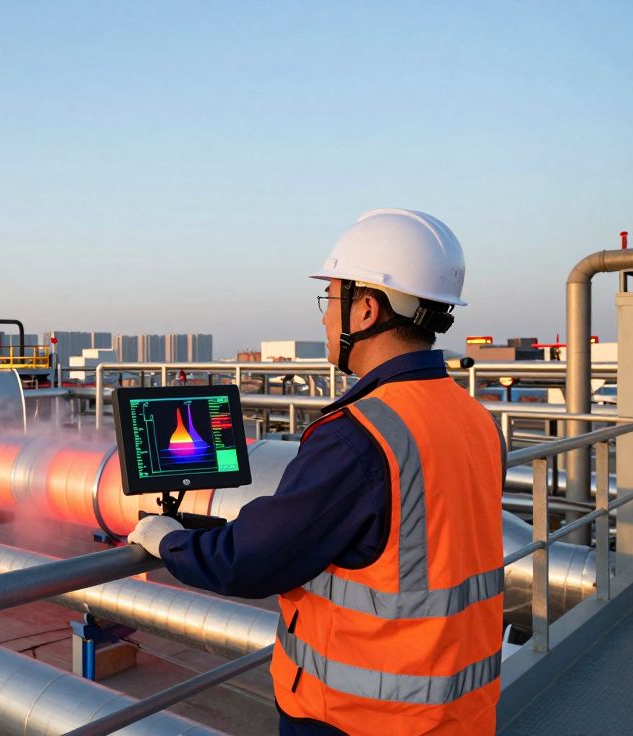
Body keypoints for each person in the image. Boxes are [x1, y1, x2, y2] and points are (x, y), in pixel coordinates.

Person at [129, 209, 505, 736]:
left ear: (367, 310)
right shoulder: (473, 418)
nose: (325, 318)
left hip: (359, 718)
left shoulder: (359, 436)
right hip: (457, 711)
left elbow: (250, 562)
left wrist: (167, 541)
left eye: (331, 299)